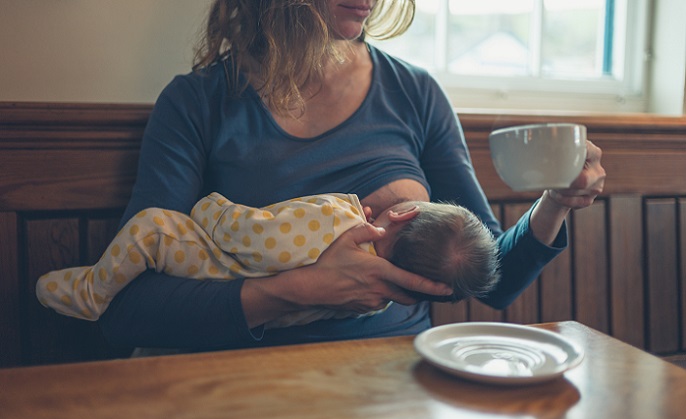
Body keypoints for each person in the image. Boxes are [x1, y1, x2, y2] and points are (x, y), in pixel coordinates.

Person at [96, 0, 605, 351]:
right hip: (243, 376)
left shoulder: (414, 93)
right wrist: (300, 289)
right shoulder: (197, 103)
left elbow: (494, 280)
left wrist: (556, 202)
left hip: (395, 373)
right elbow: (129, 309)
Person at [36, 192, 500, 328]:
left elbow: (253, 233)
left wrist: (211, 207)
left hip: (209, 260)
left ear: (405, 213)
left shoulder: (332, 221)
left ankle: (91, 293)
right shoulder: (377, 298)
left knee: (152, 226)